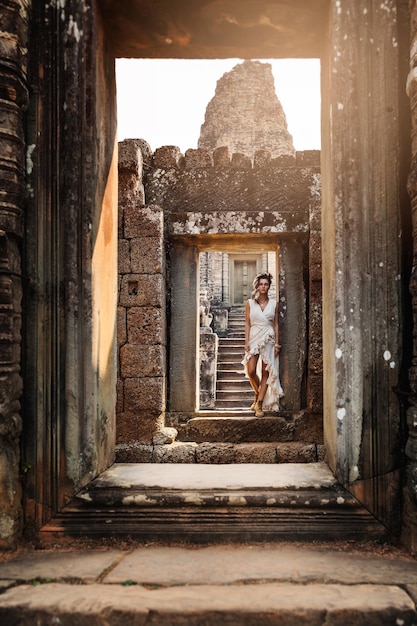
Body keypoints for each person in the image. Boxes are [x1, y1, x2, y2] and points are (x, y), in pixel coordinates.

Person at [242, 272, 284, 417]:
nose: (263, 287)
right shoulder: (250, 303)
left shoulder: (274, 304)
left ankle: (259, 404)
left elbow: (276, 324)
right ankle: (257, 393)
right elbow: (247, 324)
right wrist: (246, 341)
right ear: (257, 286)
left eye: (266, 284)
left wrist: (277, 344)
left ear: (269, 287)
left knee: (266, 371)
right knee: (251, 371)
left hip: (269, 337)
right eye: (261, 284)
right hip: (254, 336)